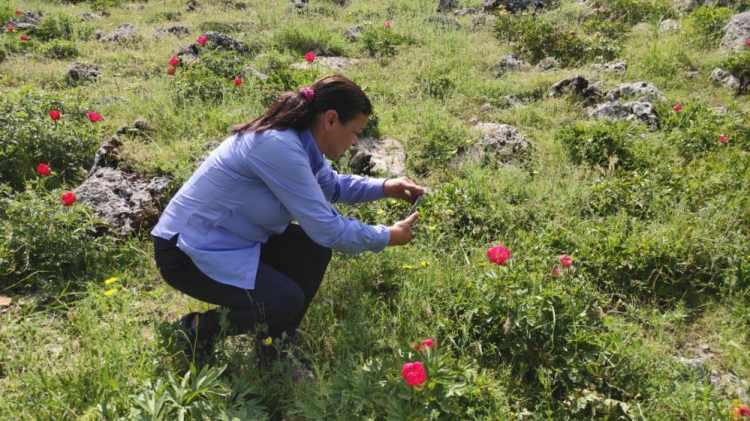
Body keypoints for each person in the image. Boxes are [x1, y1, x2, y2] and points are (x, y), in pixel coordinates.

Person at [151, 74, 425, 363]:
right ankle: (196, 330)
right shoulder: (278, 146)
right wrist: (387, 236)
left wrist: (385, 187)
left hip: (231, 240)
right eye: (355, 131)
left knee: (312, 250)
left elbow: (332, 186)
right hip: (185, 252)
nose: (356, 140)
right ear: (330, 119)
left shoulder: (300, 143)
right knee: (284, 298)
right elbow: (328, 229)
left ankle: (274, 346)